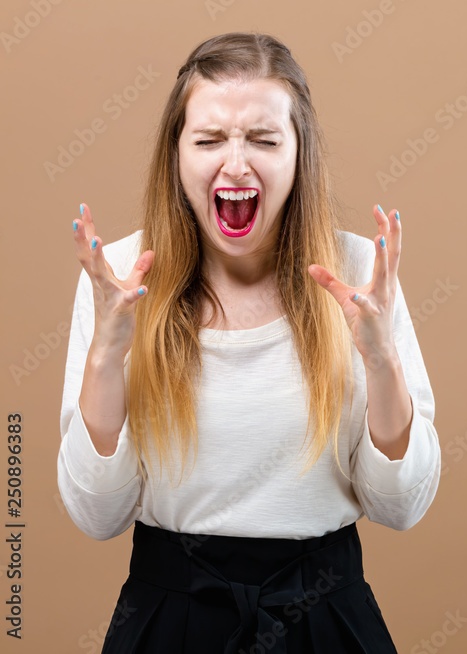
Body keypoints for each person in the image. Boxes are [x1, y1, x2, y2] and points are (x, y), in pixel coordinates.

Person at [56, 32, 441, 653]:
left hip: (325, 619)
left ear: (298, 153)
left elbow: (400, 508)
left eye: (264, 140)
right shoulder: (120, 276)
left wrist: (381, 359)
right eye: (208, 140)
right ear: (176, 153)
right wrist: (107, 357)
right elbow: (96, 517)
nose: (236, 165)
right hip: (169, 620)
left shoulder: (358, 271)